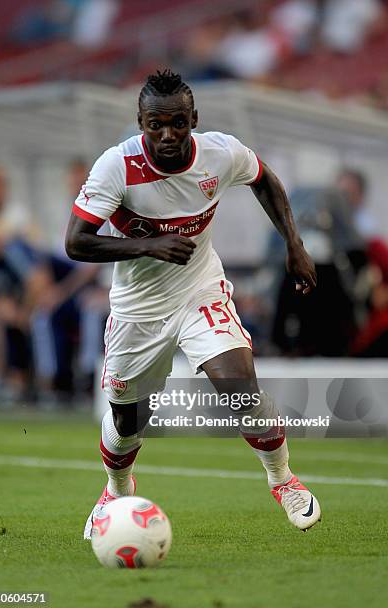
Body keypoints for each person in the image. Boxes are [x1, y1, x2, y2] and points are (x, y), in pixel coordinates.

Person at [65, 70, 321, 539]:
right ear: (139, 122)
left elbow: (265, 179)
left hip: (199, 288)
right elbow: (77, 243)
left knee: (239, 385)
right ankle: (116, 490)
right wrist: (149, 245)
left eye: (178, 123)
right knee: (128, 418)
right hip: (137, 310)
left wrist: (294, 244)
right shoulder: (115, 167)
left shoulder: (220, 153)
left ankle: (283, 480)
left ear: (194, 120)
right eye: (155, 124)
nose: (167, 135)